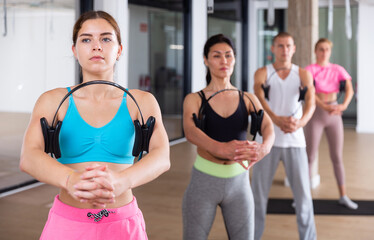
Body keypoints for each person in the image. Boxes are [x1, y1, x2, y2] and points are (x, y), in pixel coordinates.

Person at [19, 11, 170, 240]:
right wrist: (70, 180)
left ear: (119, 49)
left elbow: (162, 156)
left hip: (123, 225)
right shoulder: (52, 101)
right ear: (74, 50)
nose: (96, 46)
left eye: (106, 38)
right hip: (67, 225)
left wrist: (122, 181)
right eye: (86, 39)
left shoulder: (140, 102)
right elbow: (29, 156)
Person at [182, 34, 275, 240]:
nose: (224, 60)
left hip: (239, 184)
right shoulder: (195, 99)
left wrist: (264, 148)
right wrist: (220, 148)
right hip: (203, 182)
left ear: (234, 59)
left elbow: (268, 126)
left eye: (228, 55)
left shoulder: (247, 98)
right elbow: (190, 130)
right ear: (206, 60)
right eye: (216, 56)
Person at [252, 32, 317, 240]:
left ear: (294, 48)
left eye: (288, 46)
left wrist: (301, 123)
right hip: (267, 142)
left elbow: (311, 102)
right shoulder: (263, 72)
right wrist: (275, 119)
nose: (284, 50)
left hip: (295, 142)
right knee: (258, 198)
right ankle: (252, 236)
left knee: (304, 197)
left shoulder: (303, 74)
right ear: (272, 49)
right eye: (280, 46)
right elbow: (259, 98)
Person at [304, 38, 357, 209]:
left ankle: (343, 195)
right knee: (310, 157)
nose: (324, 52)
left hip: (335, 114)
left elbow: (349, 88)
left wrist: (343, 105)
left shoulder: (337, 69)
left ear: (330, 51)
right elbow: (309, 92)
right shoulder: (309, 70)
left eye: (327, 49)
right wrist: (323, 106)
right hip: (316, 114)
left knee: (337, 157)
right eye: (321, 49)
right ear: (315, 51)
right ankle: (303, 198)